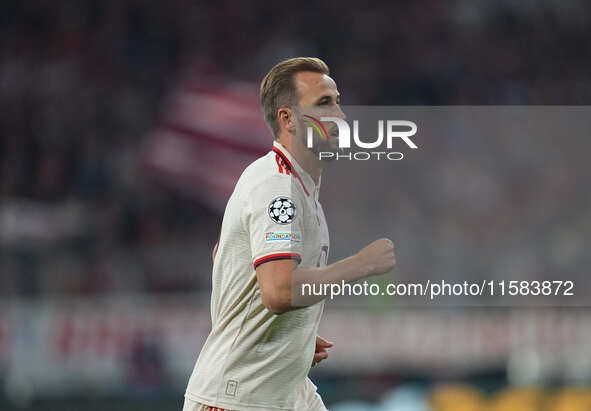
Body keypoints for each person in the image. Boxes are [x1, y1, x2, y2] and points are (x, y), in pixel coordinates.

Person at [184, 57, 396, 411]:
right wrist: (361, 264)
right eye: (324, 104)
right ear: (287, 120)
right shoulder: (277, 187)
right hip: (237, 398)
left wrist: (287, 335)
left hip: (284, 390)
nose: (340, 117)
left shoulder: (298, 187)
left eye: (338, 102)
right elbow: (279, 290)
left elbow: (228, 260)